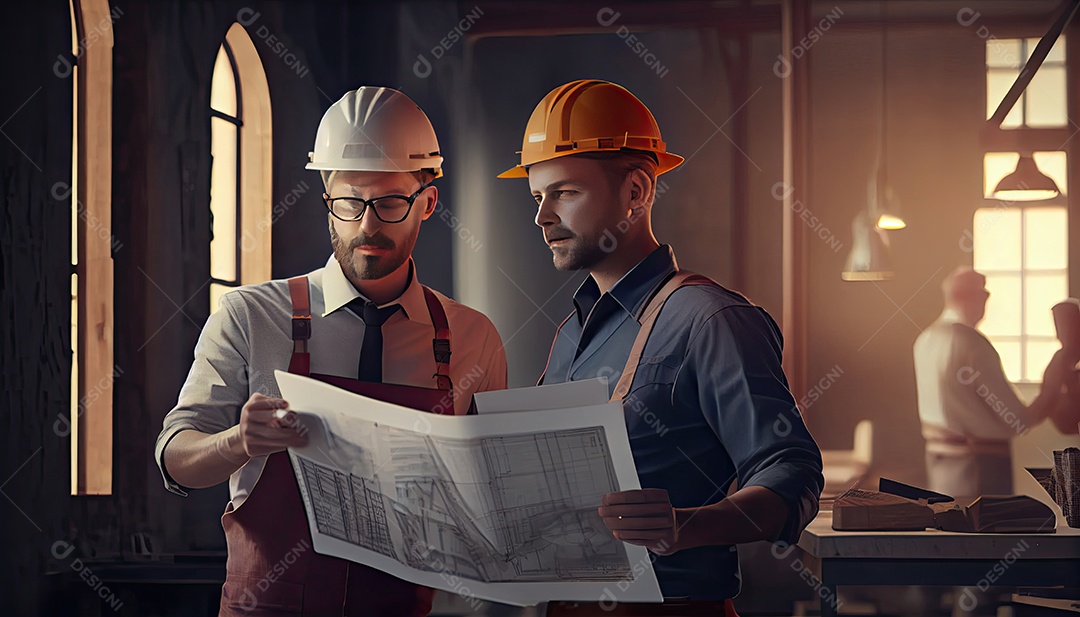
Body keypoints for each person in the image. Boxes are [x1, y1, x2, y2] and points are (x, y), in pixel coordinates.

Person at [155, 86, 508, 617]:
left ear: (428, 203)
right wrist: (240, 441)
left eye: (390, 202)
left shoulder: (471, 337)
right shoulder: (250, 315)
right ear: (327, 201)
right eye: (348, 202)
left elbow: (496, 503)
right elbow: (176, 460)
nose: (367, 225)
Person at [497, 79, 824, 615]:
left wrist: (687, 526)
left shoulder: (711, 319)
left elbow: (792, 471)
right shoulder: (572, 333)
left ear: (636, 192)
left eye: (565, 193)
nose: (542, 217)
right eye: (538, 197)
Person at [914, 265, 1074, 497]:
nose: (986, 301)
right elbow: (1017, 419)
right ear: (963, 296)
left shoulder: (925, 338)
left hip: (940, 462)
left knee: (949, 526)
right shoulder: (971, 342)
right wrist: (1051, 388)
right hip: (979, 465)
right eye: (983, 293)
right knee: (988, 530)